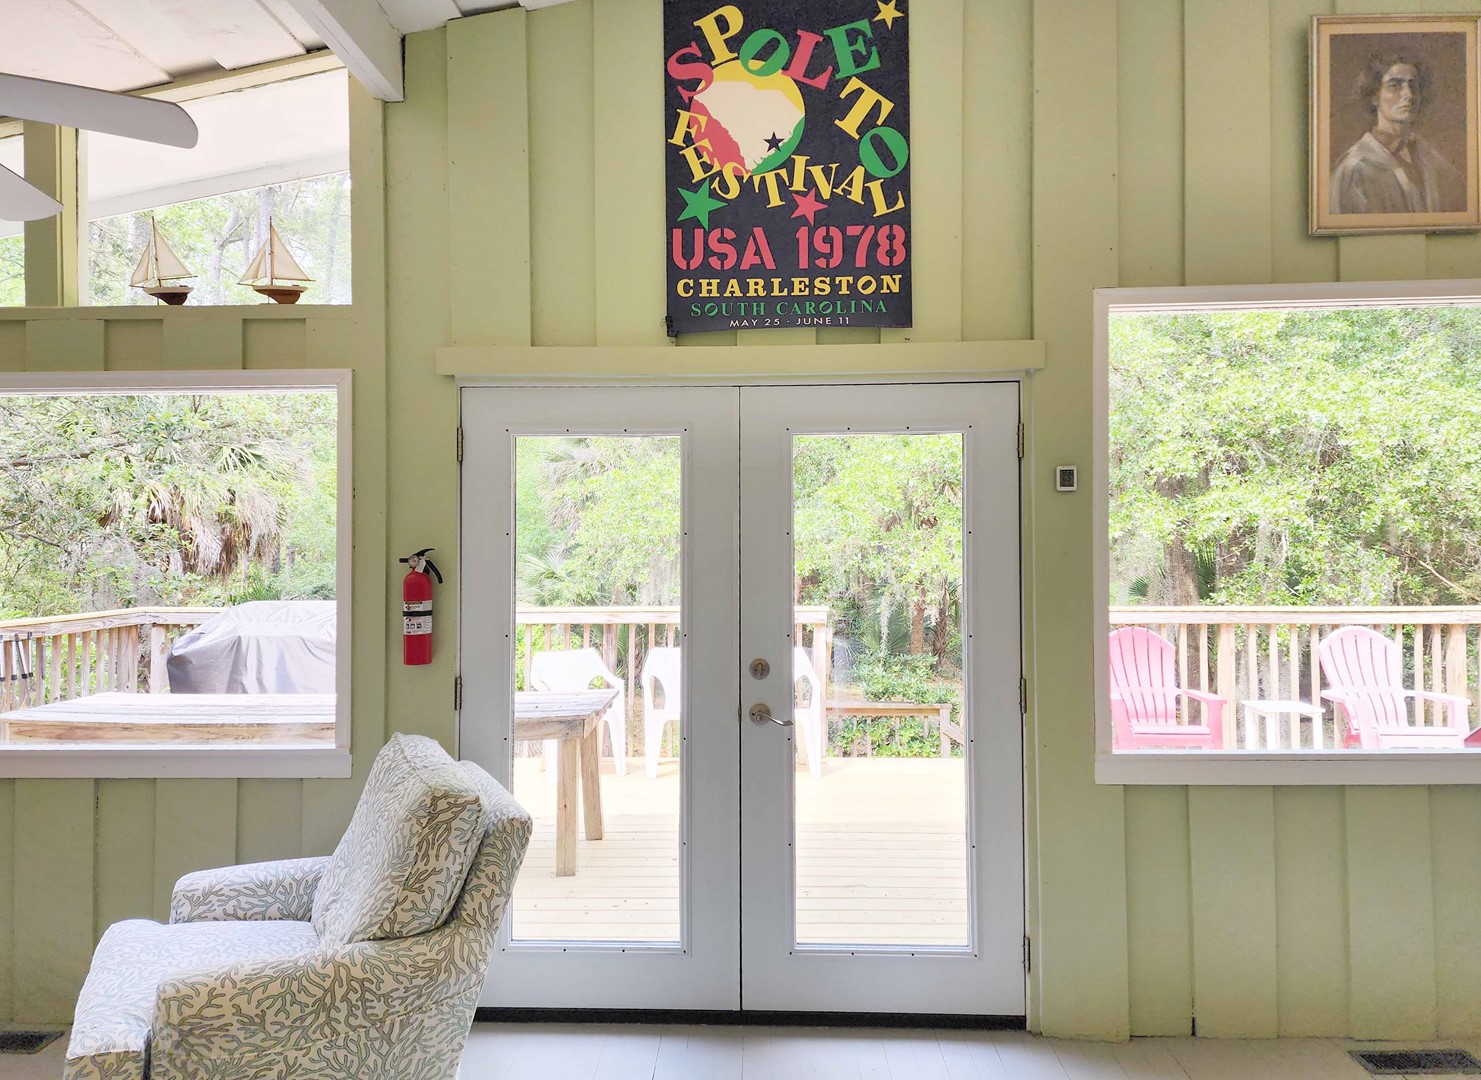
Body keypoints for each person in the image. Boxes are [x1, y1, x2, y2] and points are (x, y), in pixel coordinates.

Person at [1330, 52, 1463, 214]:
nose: (1408, 95)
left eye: (1413, 86)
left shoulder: (1433, 161)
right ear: (1374, 96)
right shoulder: (1355, 168)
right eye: (1395, 85)